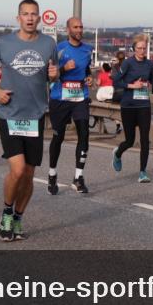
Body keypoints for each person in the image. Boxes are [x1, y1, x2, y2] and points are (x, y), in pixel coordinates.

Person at [0, 0, 58, 241]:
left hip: (35, 116)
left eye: (34, 14)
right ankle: (6, 212)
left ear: (39, 18)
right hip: (11, 115)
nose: (30, 18)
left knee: (29, 174)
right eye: (25, 14)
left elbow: (51, 76)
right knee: (17, 169)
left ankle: (18, 217)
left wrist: (55, 75)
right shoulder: (4, 43)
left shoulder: (49, 43)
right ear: (18, 18)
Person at [47, 17, 94, 195]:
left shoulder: (88, 49)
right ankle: (52, 174)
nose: (79, 30)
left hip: (80, 97)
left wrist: (89, 76)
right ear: (68, 30)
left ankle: (78, 178)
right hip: (60, 97)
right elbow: (49, 75)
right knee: (58, 137)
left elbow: (87, 68)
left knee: (84, 134)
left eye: (81, 26)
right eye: (75, 27)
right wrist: (64, 68)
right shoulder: (58, 49)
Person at [111, 33, 153, 182]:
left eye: (144, 48)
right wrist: (132, 86)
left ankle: (142, 172)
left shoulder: (149, 64)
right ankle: (118, 153)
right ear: (134, 49)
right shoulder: (128, 63)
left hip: (144, 105)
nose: (142, 51)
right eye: (139, 48)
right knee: (130, 141)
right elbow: (115, 81)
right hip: (128, 106)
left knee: (145, 140)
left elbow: (152, 78)